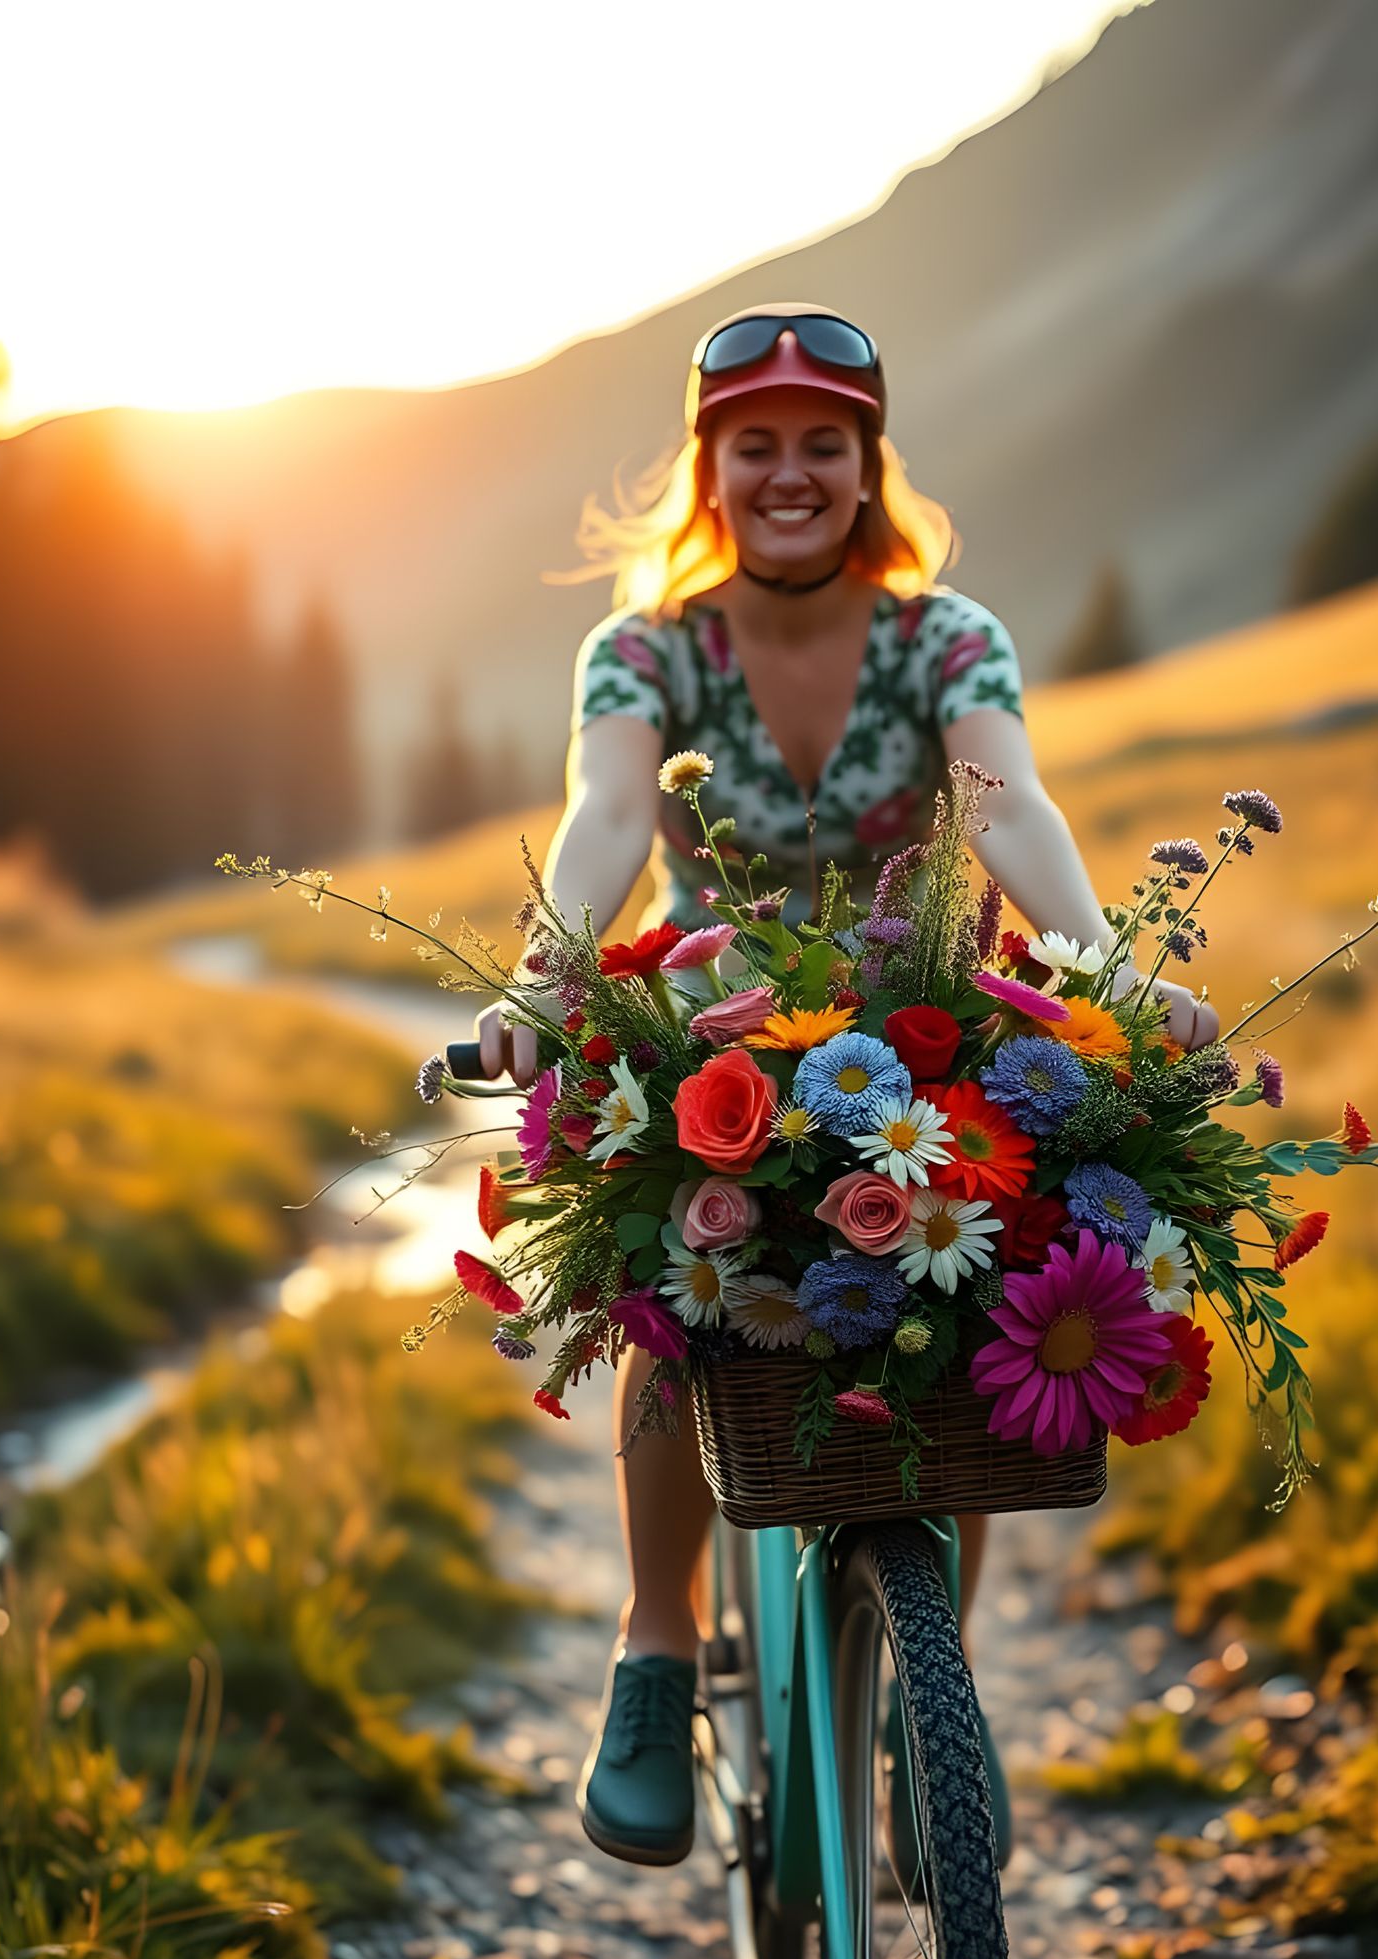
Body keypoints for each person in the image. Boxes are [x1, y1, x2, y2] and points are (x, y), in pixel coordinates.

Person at [472, 302, 1222, 1869]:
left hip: (918, 1020)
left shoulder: (949, 636)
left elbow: (1004, 798)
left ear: (869, 464)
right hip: (717, 1021)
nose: (793, 472)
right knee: (673, 1271)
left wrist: (1104, 970)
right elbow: (608, 815)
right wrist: (550, 979)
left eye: (827, 442)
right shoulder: (645, 652)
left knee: (989, 1279)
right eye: (760, 447)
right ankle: (657, 1641)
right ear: (712, 467)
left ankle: (922, 1704)